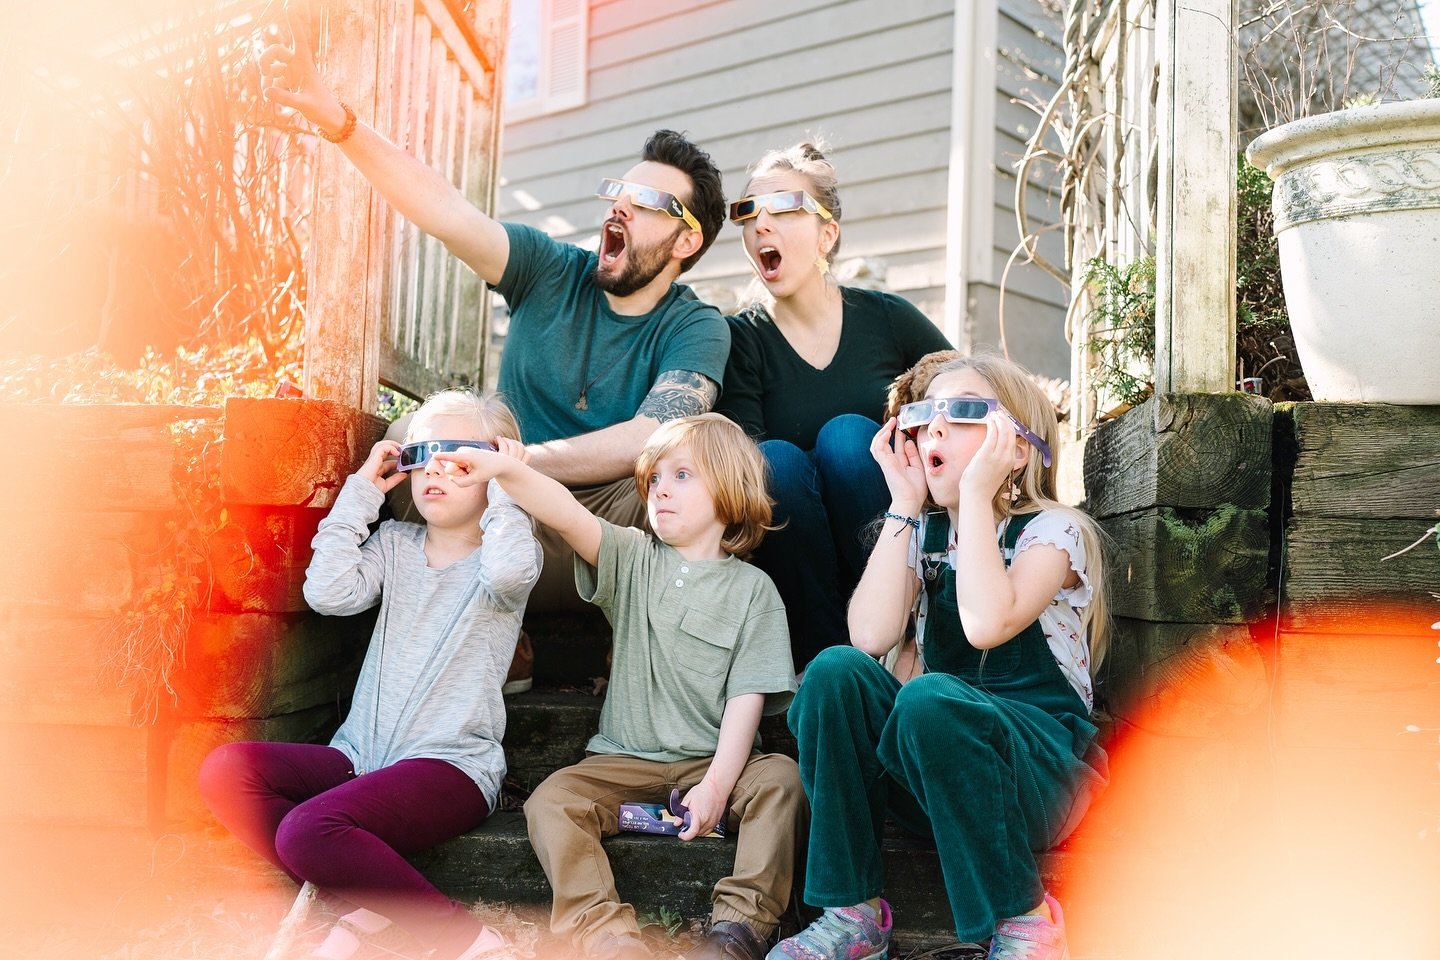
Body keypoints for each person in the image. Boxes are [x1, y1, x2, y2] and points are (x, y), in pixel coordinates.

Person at [259, 8, 730, 618]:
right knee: (411, 443)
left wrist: (522, 458)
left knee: (700, 483)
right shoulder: (548, 269)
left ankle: (639, 643)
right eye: (620, 191)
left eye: (648, 201)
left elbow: (652, 437)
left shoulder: (696, 327)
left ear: (686, 241)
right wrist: (340, 124)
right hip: (500, 521)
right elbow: (444, 210)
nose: (621, 207)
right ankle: (495, 627)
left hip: (606, 535)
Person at [768, 353, 1110, 960]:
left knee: (929, 697)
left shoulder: (1052, 533)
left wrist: (976, 497)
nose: (934, 427)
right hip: (936, 775)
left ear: (1018, 446)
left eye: (963, 411)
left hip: (1036, 775)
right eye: (925, 414)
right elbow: (870, 637)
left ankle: (1026, 923)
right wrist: (903, 502)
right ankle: (853, 915)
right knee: (834, 672)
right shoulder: (919, 534)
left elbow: (986, 623)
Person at [433, 413, 802, 960]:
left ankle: (738, 929)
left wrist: (718, 788)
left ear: (729, 489)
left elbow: (746, 702)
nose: (660, 490)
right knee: (552, 801)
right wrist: (505, 468)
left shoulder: (755, 591)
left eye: (682, 476)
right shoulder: (632, 559)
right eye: (654, 479)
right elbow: (562, 510)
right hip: (623, 761)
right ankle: (606, 934)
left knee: (783, 779)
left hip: (713, 762)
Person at [198, 390, 542, 960]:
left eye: (461, 459)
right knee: (225, 770)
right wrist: (360, 494)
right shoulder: (394, 545)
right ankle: (367, 904)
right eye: (423, 454)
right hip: (361, 758)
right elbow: (328, 593)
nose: (436, 469)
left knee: (307, 830)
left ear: (494, 469)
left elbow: (509, 572)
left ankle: (470, 942)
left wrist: (509, 486)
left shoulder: (506, 554)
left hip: (449, 768)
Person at [715, 142, 951, 671]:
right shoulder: (741, 341)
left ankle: (899, 638)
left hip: (895, 550)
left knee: (848, 438)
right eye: (750, 211)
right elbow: (746, 479)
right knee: (772, 460)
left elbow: (964, 393)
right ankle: (823, 665)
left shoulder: (888, 319)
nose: (761, 225)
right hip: (800, 577)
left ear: (827, 233)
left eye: (783, 208)